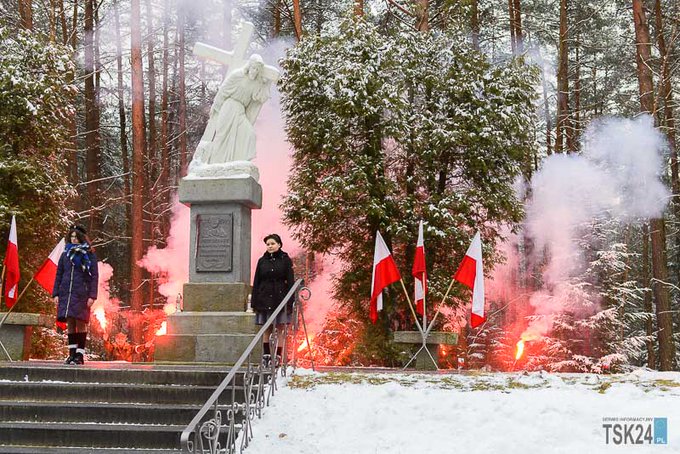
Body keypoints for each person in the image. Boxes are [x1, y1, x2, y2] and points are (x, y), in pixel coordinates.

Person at [190, 54, 273, 167]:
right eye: (253, 68)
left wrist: (268, 83)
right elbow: (223, 91)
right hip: (229, 107)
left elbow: (260, 97)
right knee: (222, 136)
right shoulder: (237, 75)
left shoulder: (256, 83)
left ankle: (239, 163)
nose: (255, 71)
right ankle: (214, 164)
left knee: (249, 134)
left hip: (240, 111)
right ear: (249, 66)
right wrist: (216, 107)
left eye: (257, 70)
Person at [52, 225, 98, 365]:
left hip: (81, 294)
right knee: (70, 323)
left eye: (76, 237)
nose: (74, 239)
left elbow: (94, 276)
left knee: (81, 322)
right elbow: (59, 274)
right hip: (67, 293)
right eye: (71, 237)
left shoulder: (89, 255)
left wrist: (92, 296)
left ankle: (80, 355)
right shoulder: (65, 254)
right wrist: (56, 293)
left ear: (81, 238)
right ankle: (71, 354)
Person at [251, 234, 295, 364]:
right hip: (264, 297)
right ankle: (266, 356)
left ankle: (278, 356)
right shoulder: (262, 261)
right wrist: (254, 301)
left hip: (280, 296)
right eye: (268, 244)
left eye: (272, 244)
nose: (270, 246)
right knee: (266, 327)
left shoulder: (285, 260)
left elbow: (290, 281)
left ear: (279, 245)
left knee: (280, 327)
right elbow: (257, 280)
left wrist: (290, 300)